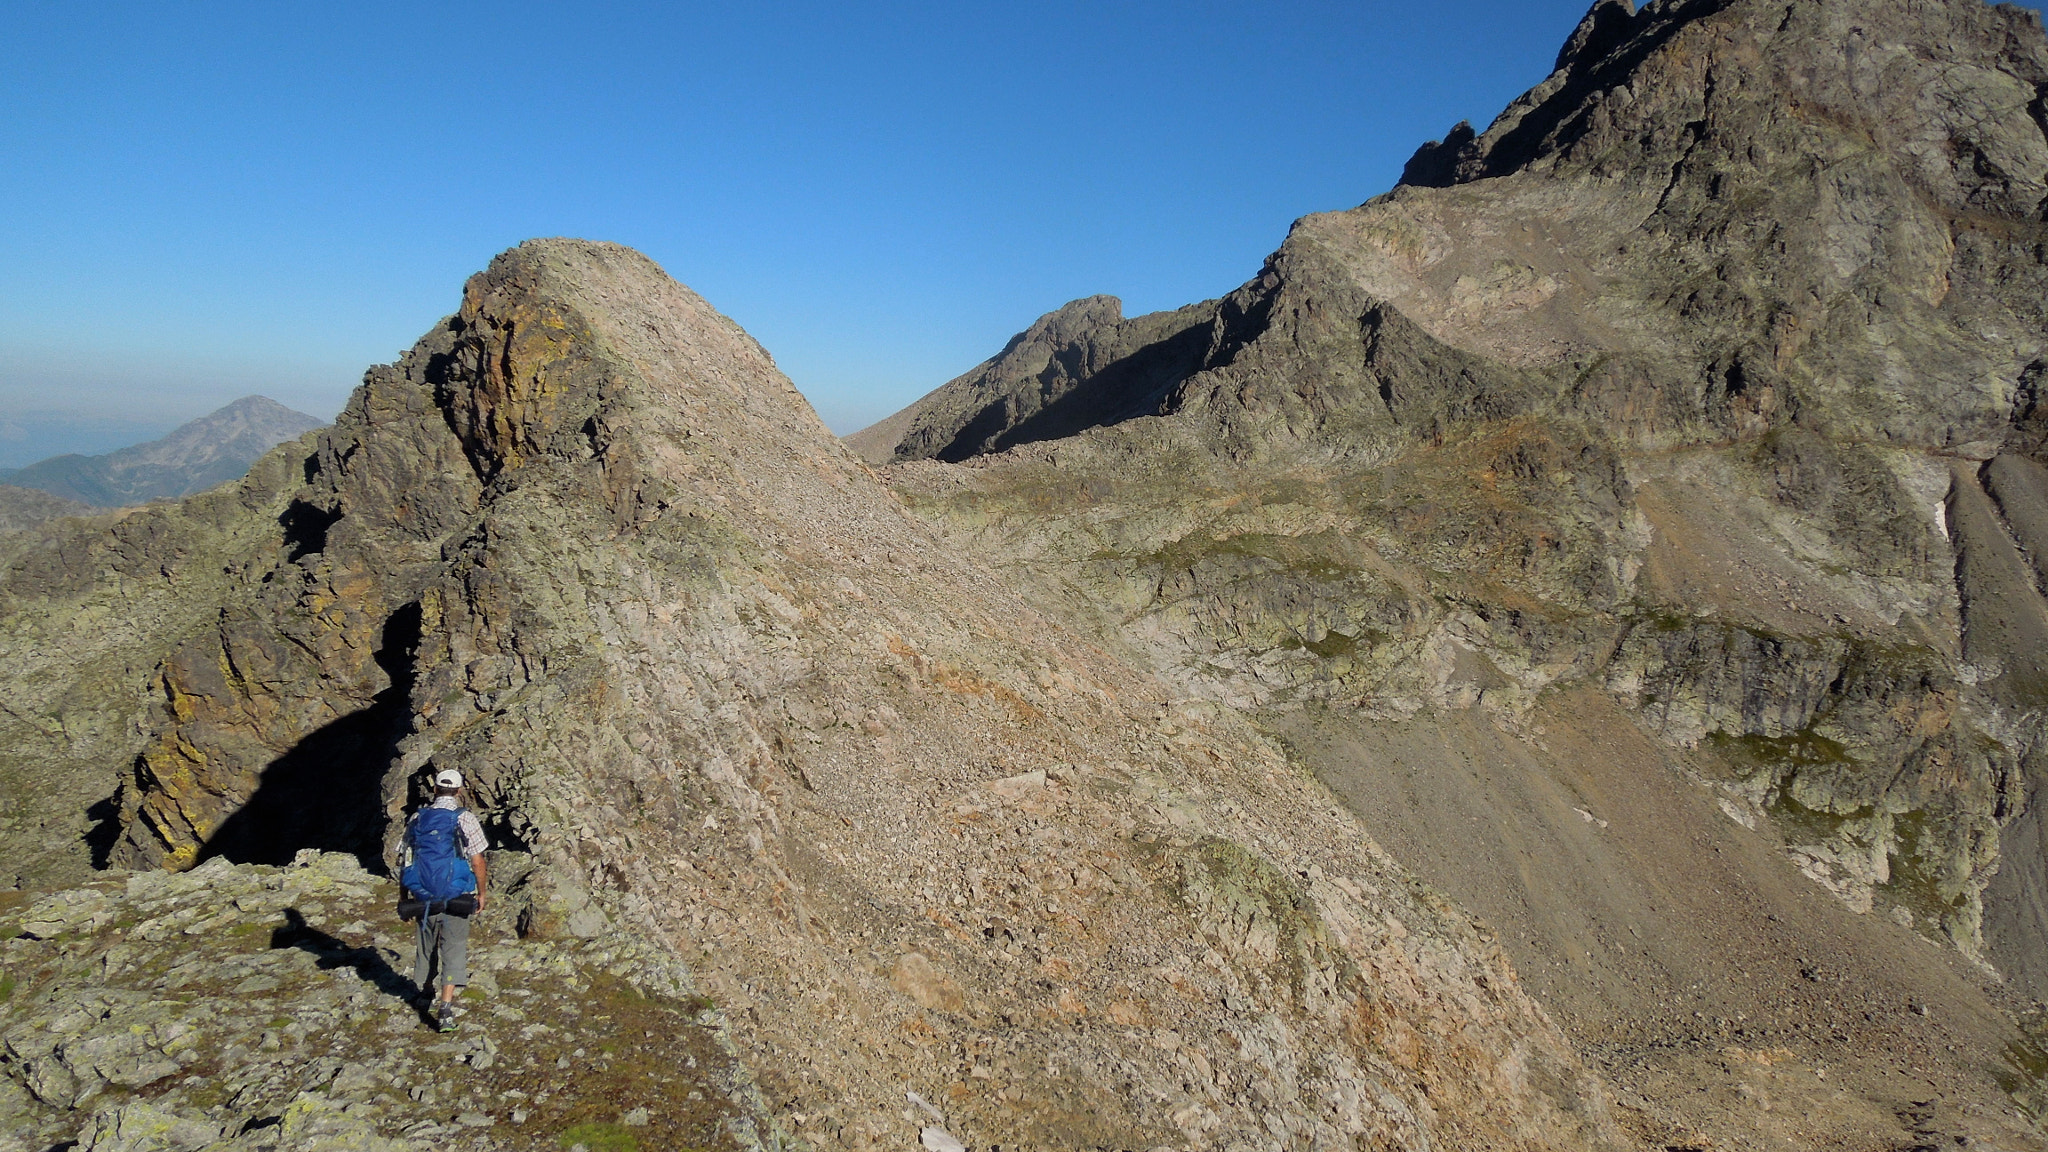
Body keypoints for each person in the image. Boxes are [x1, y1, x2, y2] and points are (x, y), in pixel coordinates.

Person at [400, 768, 488, 1032]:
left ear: (435, 789)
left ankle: (426, 990)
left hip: (423, 894)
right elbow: (477, 860)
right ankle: (446, 1008)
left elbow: (404, 858)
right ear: (459, 791)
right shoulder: (465, 818)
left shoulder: (417, 818)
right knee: (454, 946)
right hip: (457, 894)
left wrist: (403, 898)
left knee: (426, 945)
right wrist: (482, 892)